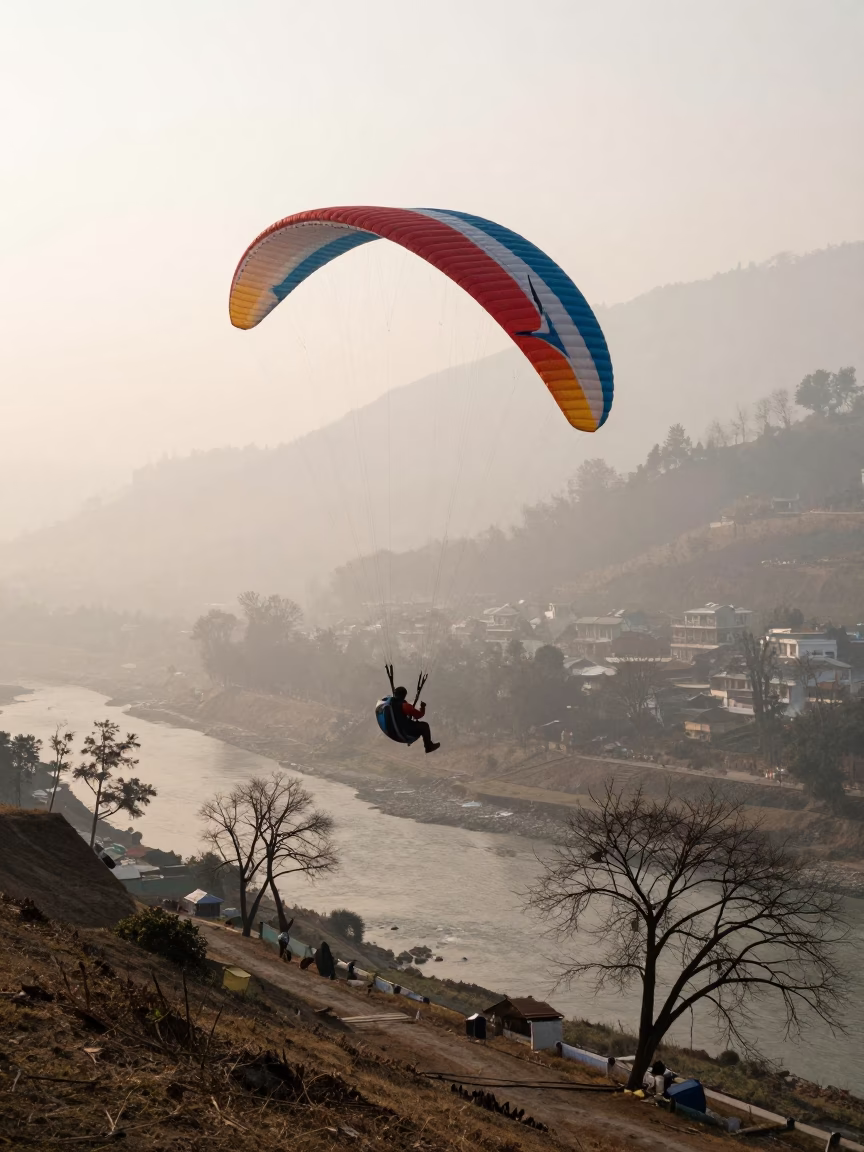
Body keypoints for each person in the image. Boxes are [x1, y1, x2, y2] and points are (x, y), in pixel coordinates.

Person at [392, 686, 440, 753]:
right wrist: (423, 707)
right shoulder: (405, 706)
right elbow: (418, 715)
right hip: (404, 730)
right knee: (425, 726)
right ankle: (428, 746)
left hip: (394, 728)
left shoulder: (390, 703)